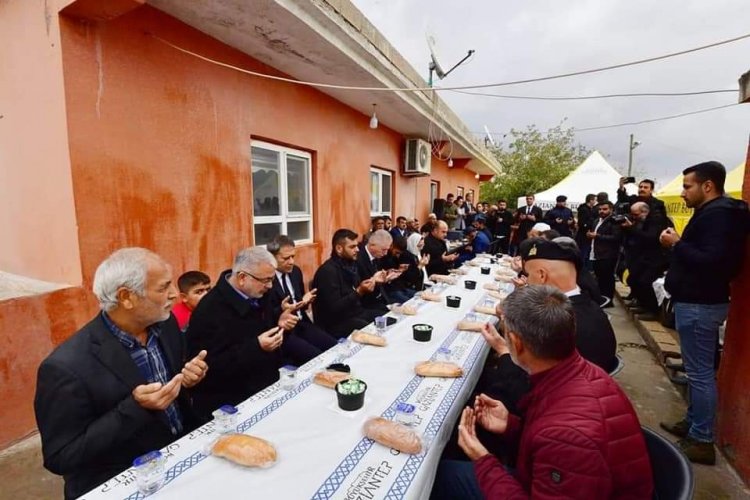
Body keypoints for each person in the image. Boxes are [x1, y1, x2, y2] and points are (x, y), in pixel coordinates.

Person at [434, 285, 653, 499]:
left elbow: (562, 438)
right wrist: (512, 426)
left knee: (440, 476)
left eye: (505, 331)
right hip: (568, 479)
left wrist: (482, 458)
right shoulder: (581, 371)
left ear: (517, 343)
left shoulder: (567, 437)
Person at [34, 248, 208, 499]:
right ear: (126, 297)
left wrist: (189, 378)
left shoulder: (166, 324)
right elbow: (61, 456)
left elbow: (176, 386)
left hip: (182, 462)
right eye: (163, 288)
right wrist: (135, 408)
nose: (173, 295)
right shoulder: (65, 367)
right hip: (127, 483)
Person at [659, 161, 750, 465]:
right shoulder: (713, 213)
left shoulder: (720, 216)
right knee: (697, 370)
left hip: (701, 304)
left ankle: (701, 439)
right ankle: (693, 421)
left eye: (688, 186)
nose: (683, 193)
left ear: (707, 186)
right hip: (696, 301)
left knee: (699, 375)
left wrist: (677, 244)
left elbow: (714, 261)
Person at [186, 247, 299, 420]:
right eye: (266, 280)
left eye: (272, 279)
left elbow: (262, 326)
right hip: (233, 404)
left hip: (267, 386)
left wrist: (280, 322)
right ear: (242, 278)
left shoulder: (260, 293)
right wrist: (257, 347)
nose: (270, 286)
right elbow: (211, 367)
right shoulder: (209, 311)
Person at [266, 235, 337, 366]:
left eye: (293, 256)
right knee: (318, 359)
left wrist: (305, 302)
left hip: (302, 323)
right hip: (283, 332)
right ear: (272, 258)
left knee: (334, 347)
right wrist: (283, 309)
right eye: (286, 258)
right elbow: (266, 315)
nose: (291, 261)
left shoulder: (295, 272)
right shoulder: (266, 279)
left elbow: (300, 302)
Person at [312, 229, 388, 338]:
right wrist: (359, 292)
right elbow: (334, 309)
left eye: (357, 246)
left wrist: (374, 282)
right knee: (372, 332)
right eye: (352, 247)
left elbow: (363, 298)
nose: (357, 249)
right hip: (336, 323)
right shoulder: (328, 271)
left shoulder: (351, 265)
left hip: (356, 313)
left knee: (388, 318)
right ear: (339, 249)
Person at [621, 202, 673, 318]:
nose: (634, 217)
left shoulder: (657, 221)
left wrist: (632, 227)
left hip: (658, 258)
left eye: (636, 214)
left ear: (644, 212)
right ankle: (643, 305)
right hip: (645, 257)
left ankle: (652, 310)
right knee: (635, 280)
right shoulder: (644, 221)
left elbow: (650, 237)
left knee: (646, 282)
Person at [587, 201, 622, 306]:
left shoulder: (614, 221)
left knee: (607, 278)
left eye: (605, 209)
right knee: (599, 277)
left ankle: (608, 300)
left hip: (608, 254)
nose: (602, 211)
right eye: (600, 209)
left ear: (611, 209)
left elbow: (616, 237)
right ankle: (601, 298)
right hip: (596, 253)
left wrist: (597, 236)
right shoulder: (597, 220)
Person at [356, 229, 401, 306]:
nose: (386, 253)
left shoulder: (376, 256)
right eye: (383, 250)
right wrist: (375, 280)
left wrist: (386, 276)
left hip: (382, 297)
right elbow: (361, 286)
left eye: (387, 250)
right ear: (372, 245)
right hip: (367, 304)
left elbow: (378, 277)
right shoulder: (358, 258)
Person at [575, 194, 598, 269]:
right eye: (594, 200)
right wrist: (588, 226)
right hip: (583, 235)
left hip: (586, 234)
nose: (595, 201)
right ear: (591, 200)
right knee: (583, 252)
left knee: (586, 252)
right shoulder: (584, 210)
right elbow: (582, 223)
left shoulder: (589, 209)